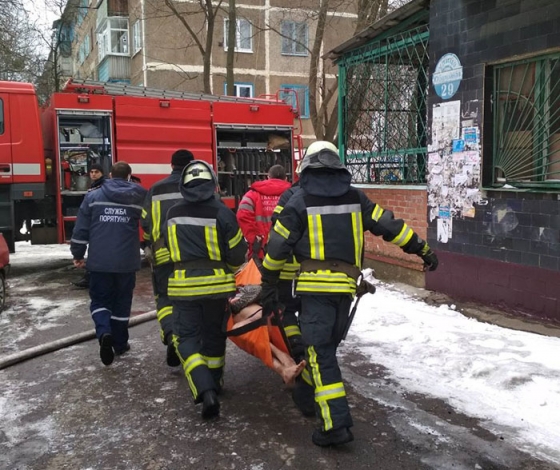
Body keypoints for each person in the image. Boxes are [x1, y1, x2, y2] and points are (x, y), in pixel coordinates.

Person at [260, 141, 439, 447]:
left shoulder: (299, 200)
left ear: (308, 166)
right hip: (345, 290)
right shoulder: (356, 197)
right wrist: (421, 248)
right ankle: (309, 396)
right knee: (324, 350)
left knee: (320, 352)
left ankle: (334, 425)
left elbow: (277, 247)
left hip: (315, 290)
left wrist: (268, 283)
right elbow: (390, 226)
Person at [162, 160, 247, 419]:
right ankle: (216, 382)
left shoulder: (172, 213)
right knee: (213, 335)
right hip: (217, 288)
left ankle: (204, 388)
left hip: (183, 287)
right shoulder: (222, 212)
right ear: (212, 184)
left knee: (185, 338)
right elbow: (237, 254)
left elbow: (167, 247)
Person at [70, 161, 147, 366]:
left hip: (99, 262)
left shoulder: (93, 197)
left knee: (100, 301)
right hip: (126, 262)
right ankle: (120, 344)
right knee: (122, 302)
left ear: (110, 175)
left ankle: (104, 333)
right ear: (129, 176)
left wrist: (78, 253)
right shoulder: (139, 196)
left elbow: (81, 229)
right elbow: (150, 222)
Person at [141, 149, 194, 367]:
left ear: (171, 165)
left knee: (165, 298)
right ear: (192, 166)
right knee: (191, 299)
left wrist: (147, 244)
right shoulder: (198, 187)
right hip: (191, 254)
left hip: (163, 254)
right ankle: (189, 341)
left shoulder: (156, 189)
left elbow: (145, 221)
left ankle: (172, 334)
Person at [236, 164, 291, 260]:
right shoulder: (292, 195)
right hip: (286, 249)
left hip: (260, 250)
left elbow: (242, 215)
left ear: (268, 177)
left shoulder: (253, 194)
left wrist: (253, 238)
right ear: (286, 178)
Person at [72, 163, 107, 289]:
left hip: (97, 224)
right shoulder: (96, 186)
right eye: (91, 172)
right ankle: (89, 277)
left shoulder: (100, 187)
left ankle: (90, 278)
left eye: (96, 172)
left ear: (102, 173)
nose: (93, 174)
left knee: (96, 251)